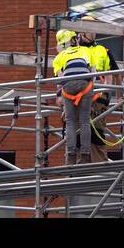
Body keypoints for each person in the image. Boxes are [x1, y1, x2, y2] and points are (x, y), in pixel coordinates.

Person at [77, 16, 119, 163]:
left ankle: (99, 166)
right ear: (82, 31)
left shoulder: (102, 50)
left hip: (98, 99)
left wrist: (108, 94)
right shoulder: (74, 50)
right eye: (90, 28)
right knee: (79, 134)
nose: (94, 32)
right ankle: (79, 168)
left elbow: (112, 73)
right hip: (78, 98)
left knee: (97, 133)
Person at [51, 29, 96, 165]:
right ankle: (85, 155)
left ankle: (70, 156)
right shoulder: (86, 51)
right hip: (85, 86)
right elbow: (93, 73)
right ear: (74, 40)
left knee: (70, 122)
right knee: (84, 121)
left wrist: (60, 97)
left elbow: (60, 81)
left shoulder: (59, 57)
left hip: (68, 89)